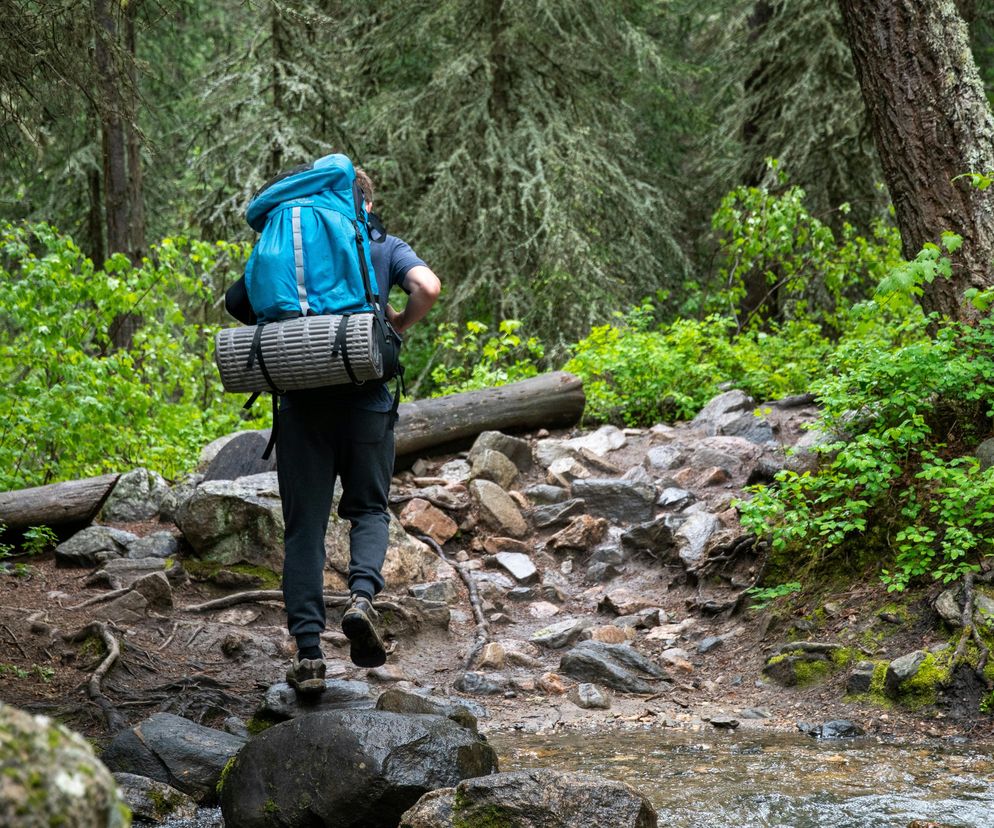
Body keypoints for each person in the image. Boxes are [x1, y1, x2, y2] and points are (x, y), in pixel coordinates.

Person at [256, 167, 440, 692]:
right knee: (367, 510)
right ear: (364, 203)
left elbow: (239, 302)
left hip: (300, 409)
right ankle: (361, 599)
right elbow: (428, 286)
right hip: (366, 402)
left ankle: (309, 656)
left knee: (304, 529)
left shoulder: (284, 247)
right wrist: (398, 324)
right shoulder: (379, 245)